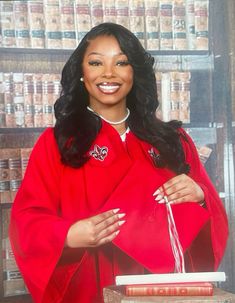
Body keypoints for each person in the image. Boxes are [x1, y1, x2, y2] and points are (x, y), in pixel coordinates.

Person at [10, 23, 228, 303]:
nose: (108, 73)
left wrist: (199, 196)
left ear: (134, 71)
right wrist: (68, 234)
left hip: (159, 290)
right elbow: (25, 221)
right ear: (81, 72)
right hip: (89, 289)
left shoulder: (173, 140)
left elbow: (214, 215)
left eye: (121, 62)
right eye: (96, 62)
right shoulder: (57, 144)